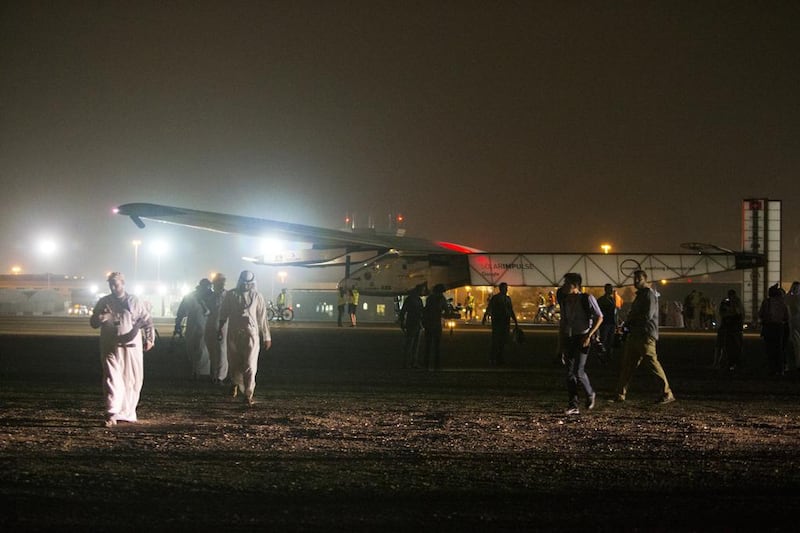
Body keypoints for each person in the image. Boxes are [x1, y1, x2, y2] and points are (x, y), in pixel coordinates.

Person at [89, 272, 155, 427]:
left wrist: (150, 339)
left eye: (116, 284)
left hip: (132, 348)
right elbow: (93, 323)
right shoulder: (104, 302)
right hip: (110, 346)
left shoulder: (134, 301)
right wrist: (100, 318)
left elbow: (147, 322)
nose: (113, 287)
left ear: (123, 284)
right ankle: (112, 412)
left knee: (132, 380)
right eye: (111, 284)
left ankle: (127, 412)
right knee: (112, 378)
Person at [611, 270, 675, 404]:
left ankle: (667, 393)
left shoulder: (648, 295)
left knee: (652, 364)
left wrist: (630, 322)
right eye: (635, 279)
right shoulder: (641, 295)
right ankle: (620, 394)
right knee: (628, 365)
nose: (636, 281)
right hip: (636, 334)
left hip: (645, 335)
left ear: (645, 280)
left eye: (638, 279)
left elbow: (647, 316)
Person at [218, 271, 271, 406]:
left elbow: (262, 318)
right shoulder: (231, 295)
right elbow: (223, 313)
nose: (246, 286)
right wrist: (220, 329)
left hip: (251, 335)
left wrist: (267, 336)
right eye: (244, 283)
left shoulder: (258, 297)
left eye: (249, 283)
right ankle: (235, 383)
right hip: (233, 334)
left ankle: (248, 393)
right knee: (234, 362)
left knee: (249, 364)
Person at [559, 273, 603, 415]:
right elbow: (563, 322)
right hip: (570, 337)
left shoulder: (587, 298)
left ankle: (590, 393)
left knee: (579, 370)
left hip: (583, 337)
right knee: (569, 372)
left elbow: (600, 317)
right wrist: (560, 344)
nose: (564, 286)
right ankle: (573, 405)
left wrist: (589, 335)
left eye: (567, 283)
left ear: (575, 285)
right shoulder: (565, 301)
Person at [174, 278, 212, 380]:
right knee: (190, 349)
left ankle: (200, 372)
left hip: (206, 327)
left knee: (202, 350)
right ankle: (194, 369)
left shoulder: (212, 297)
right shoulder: (190, 297)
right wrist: (177, 324)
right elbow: (181, 311)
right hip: (192, 327)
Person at [482, 282, 518, 366]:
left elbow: (511, 310)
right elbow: (489, 307)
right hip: (498, 321)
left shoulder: (507, 298)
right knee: (496, 340)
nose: (506, 289)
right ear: (501, 289)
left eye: (506, 288)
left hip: (505, 321)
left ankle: (499, 357)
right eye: (505, 288)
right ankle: (493, 358)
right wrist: (485, 316)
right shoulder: (496, 298)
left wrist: (515, 321)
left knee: (503, 340)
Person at [759, 284, 789, 376]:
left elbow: (761, 314)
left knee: (770, 349)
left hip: (769, 326)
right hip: (779, 327)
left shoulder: (766, 302)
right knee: (779, 348)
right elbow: (786, 316)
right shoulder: (782, 302)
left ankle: (772, 368)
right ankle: (780, 369)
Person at [203, 273, 229, 385]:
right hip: (210, 326)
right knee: (212, 352)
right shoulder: (210, 297)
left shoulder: (228, 296)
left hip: (224, 327)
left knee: (222, 352)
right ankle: (213, 375)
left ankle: (220, 377)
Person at [715, 289, 744, 370]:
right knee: (735, 346)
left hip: (730, 328)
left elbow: (723, 313)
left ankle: (722, 362)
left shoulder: (726, 303)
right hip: (735, 329)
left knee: (726, 346)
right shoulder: (738, 303)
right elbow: (739, 314)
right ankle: (734, 363)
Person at [422, 284, 448, 370]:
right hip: (436, 323)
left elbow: (426, 310)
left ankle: (426, 365)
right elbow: (446, 310)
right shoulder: (441, 299)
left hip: (428, 323)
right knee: (436, 346)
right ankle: (436, 365)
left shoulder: (430, 298)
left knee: (428, 346)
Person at [399, 285, 424, 368]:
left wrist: (402, 322)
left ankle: (408, 362)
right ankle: (410, 362)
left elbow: (403, 311)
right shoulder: (417, 300)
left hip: (412, 323)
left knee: (410, 344)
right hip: (414, 323)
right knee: (412, 345)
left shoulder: (410, 299)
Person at [596, 284, 617, 363]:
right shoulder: (602, 300)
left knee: (610, 341)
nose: (611, 290)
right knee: (604, 340)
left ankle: (608, 356)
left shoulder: (611, 299)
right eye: (610, 289)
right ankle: (602, 356)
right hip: (605, 323)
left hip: (610, 322)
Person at [785, 281, 800, 372]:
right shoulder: (793, 298)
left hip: (793, 322)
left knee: (796, 344)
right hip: (795, 322)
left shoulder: (789, 297)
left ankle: (796, 363)